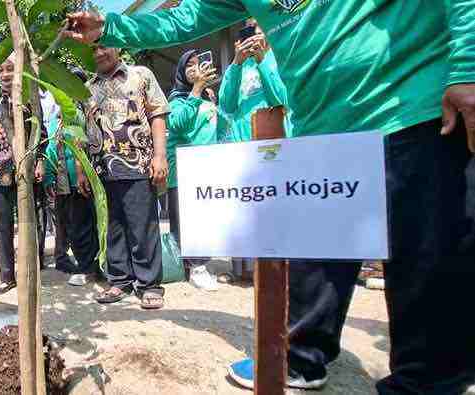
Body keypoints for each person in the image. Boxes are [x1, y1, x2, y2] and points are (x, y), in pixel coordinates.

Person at [65, 2, 475, 392]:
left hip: (412, 106)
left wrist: (467, 66)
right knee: (316, 255)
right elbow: (183, 17)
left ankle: (424, 383)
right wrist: (109, 26)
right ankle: (299, 359)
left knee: (426, 261)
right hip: (322, 126)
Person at [84, 44, 169, 310]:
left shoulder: (140, 75)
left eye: (104, 47)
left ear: (117, 46)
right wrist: (83, 171)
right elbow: (84, 130)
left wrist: (160, 156)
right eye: (93, 50)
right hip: (102, 170)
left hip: (138, 164)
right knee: (112, 228)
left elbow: (157, 115)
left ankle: (149, 285)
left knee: (142, 227)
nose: (99, 53)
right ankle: (119, 281)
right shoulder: (86, 88)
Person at [219, 20, 289, 284]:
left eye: (259, 28)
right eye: (249, 29)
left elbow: (281, 99)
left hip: (273, 141)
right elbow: (226, 105)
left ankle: (277, 270)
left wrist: (262, 60)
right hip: (243, 144)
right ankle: (244, 270)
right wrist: (236, 63)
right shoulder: (239, 66)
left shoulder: (279, 58)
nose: (254, 34)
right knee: (246, 207)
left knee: (273, 205)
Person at [0, 55, 46, 296]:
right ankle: (7, 277)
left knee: (31, 223)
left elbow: (40, 131)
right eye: (1, 70)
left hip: (26, 168)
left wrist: (39, 160)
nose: (5, 74)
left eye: (11, 69)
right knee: (2, 225)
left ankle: (34, 269)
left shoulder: (29, 97)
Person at [166, 48, 232, 292]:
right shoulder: (177, 99)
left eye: (199, 63)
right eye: (189, 65)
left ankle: (198, 264)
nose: (195, 68)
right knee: (188, 220)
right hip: (184, 169)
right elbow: (178, 124)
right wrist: (196, 90)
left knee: (205, 218)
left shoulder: (206, 98)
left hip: (207, 166)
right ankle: (195, 267)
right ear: (181, 72)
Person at [46, 67, 99, 286]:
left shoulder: (83, 112)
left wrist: (80, 173)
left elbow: (82, 143)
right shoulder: (56, 118)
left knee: (83, 224)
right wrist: (49, 177)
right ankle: (84, 264)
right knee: (72, 224)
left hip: (82, 178)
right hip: (63, 181)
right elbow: (51, 148)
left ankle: (88, 268)